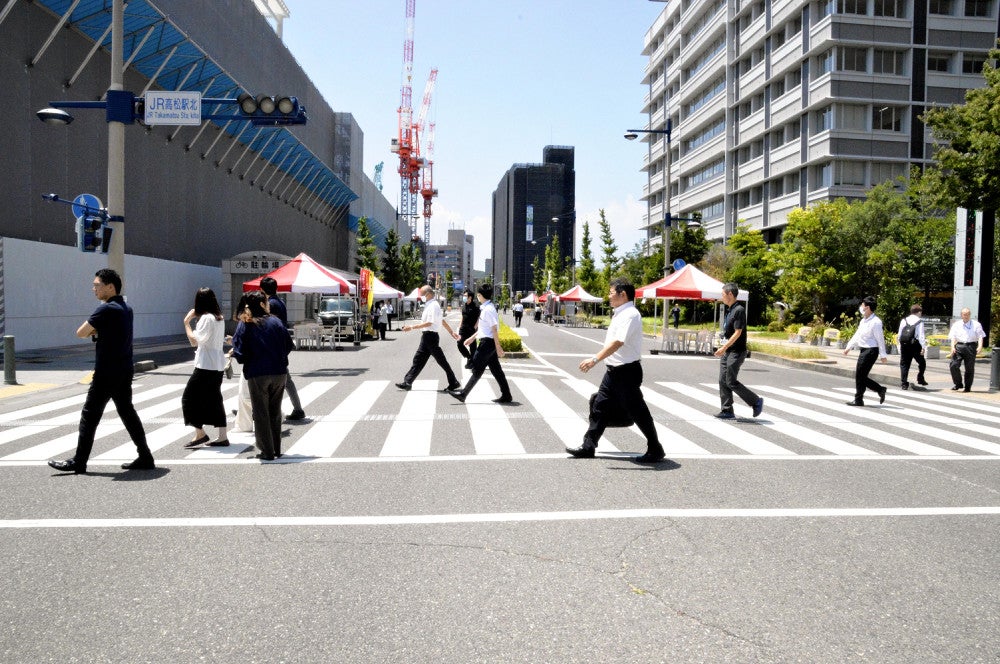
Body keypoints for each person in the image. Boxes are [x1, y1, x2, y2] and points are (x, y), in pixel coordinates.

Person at [48, 268, 154, 474]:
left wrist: (96, 329)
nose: (93, 289)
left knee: (90, 415)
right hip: (124, 369)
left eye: (97, 285)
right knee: (127, 412)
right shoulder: (126, 308)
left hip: (106, 371)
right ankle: (145, 455)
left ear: (110, 287)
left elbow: (80, 332)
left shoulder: (105, 310)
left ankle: (79, 462)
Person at [565, 278, 666, 464]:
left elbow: (618, 342)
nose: (609, 296)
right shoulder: (619, 313)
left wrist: (595, 359)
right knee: (599, 406)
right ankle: (588, 446)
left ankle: (655, 448)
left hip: (627, 372)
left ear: (623, 294)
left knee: (638, 411)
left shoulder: (630, 315)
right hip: (613, 371)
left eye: (611, 293)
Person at [231, 290, 293, 460]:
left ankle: (267, 451)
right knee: (275, 411)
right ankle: (276, 448)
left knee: (261, 413)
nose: (268, 304)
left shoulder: (246, 323)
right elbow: (289, 345)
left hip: (258, 373)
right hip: (279, 372)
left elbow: (240, 352)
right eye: (266, 301)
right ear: (261, 305)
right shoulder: (277, 321)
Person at [448, 283, 514, 404]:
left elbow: (494, 328)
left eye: (478, 294)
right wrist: (472, 338)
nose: (477, 296)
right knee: (496, 370)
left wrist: (498, 347)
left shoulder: (488, 309)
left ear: (481, 295)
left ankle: (463, 394)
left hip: (487, 344)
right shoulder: (486, 308)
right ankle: (507, 395)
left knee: (476, 368)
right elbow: (484, 329)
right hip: (488, 342)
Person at [181, 288, 229, 448]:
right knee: (215, 399)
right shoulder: (218, 318)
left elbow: (194, 341)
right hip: (217, 364)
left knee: (188, 398)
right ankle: (222, 436)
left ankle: (200, 433)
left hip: (205, 365)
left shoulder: (206, 319)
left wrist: (186, 323)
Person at [396, 285, 462, 392]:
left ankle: (453, 382)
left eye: (422, 294)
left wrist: (411, 327)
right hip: (427, 336)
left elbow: (430, 322)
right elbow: (442, 321)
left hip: (430, 336)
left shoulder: (433, 305)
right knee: (418, 359)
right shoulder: (430, 304)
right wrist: (451, 332)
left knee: (441, 361)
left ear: (429, 293)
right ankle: (408, 382)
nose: (421, 296)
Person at [714, 282, 764, 419]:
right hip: (728, 351)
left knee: (730, 381)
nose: (722, 297)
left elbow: (738, 332)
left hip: (736, 352)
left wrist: (724, 347)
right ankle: (727, 410)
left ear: (730, 294)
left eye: (723, 294)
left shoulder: (739, 310)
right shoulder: (730, 310)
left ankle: (756, 401)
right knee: (722, 380)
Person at [259, 276, 305, 420]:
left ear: (261, 290)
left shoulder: (270, 304)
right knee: (285, 378)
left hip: (273, 347)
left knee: (263, 379)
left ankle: (254, 411)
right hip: (281, 345)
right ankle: (297, 408)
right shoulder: (280, 302)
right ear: (276, 288)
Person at [842, 295, 888, 406]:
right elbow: (857, 334)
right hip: (864, 350)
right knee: (861, 376)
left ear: (867, 307)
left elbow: (880, 339)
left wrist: (883, 355)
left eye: (863, 305)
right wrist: (849, 347)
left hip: (871, 351)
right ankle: (874, 392)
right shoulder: (864, 320)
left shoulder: (876, 322)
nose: (861, 307)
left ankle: (863, 397)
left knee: (860, 375)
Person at [230, 295, 254, 434]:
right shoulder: (268, 320)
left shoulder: (245, 322)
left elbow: (240, 345)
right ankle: (275, 415)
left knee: (245, 395)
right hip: (271, 365)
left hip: (251, 365)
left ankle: (245, 424)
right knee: (248, 395)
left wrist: (235, 349)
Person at [948, 307, 986, 392]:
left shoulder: (976, 324)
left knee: (969, 368)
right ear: (961, 315)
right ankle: (958, 383)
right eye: (964, 314)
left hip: (971, 346)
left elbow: (980, 336)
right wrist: (952, 347)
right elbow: (953, 337)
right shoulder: (956, 324)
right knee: (953, 365)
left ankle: (968, 386)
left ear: (970, 315)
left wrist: (980, 346)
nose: (966, 316)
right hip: (959, 346)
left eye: (968, 314)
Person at [897, 304, 928, 390]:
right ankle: (920, 378)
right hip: (915, 345)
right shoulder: (919, 321)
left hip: (904, 345)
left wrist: (899, 345)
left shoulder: (904, 320)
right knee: (922, 362)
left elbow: (899, 334)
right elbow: (921, 335)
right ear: (919, 312)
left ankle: (904, 384)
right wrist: (923, 347)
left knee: (904, 364)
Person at [456, 288, 480, 370]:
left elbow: (479, 318)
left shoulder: (476, 307)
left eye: (465, 296)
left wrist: (475, 327)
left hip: (471, 330)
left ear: (470, 297)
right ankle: (469, 358)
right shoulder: (464, 306)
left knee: (473, 348)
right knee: (459, 344)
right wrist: (459, 327)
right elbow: (462, 317)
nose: (464, 297)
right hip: (463, 329)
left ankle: (472, 363)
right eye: (464, 296)